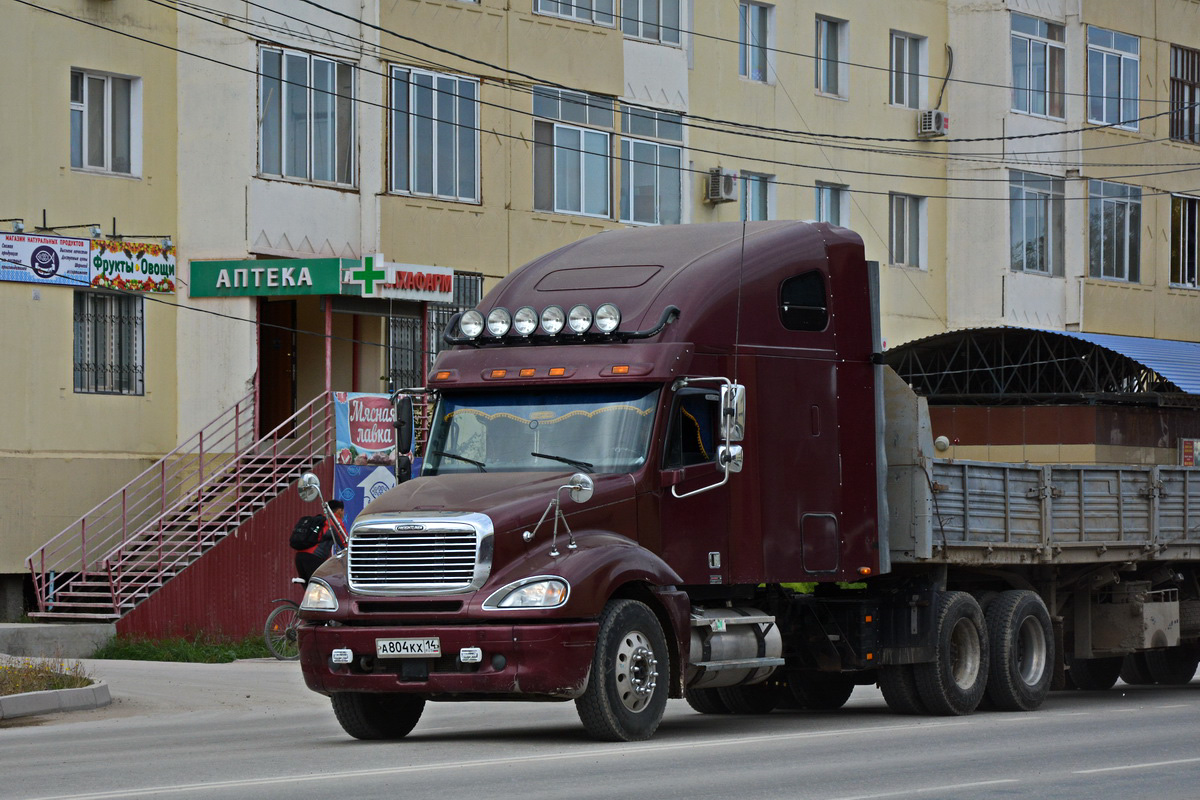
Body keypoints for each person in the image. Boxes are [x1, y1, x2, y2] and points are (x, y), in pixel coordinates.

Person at [295, 500, 347, 582]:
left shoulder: (320, 521)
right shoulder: (334, 522)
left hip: (299, 557)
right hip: (314, 558)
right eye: (343, 511)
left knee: (311, 590)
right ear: (339, 510)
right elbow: (345, 544)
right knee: (322, 589)